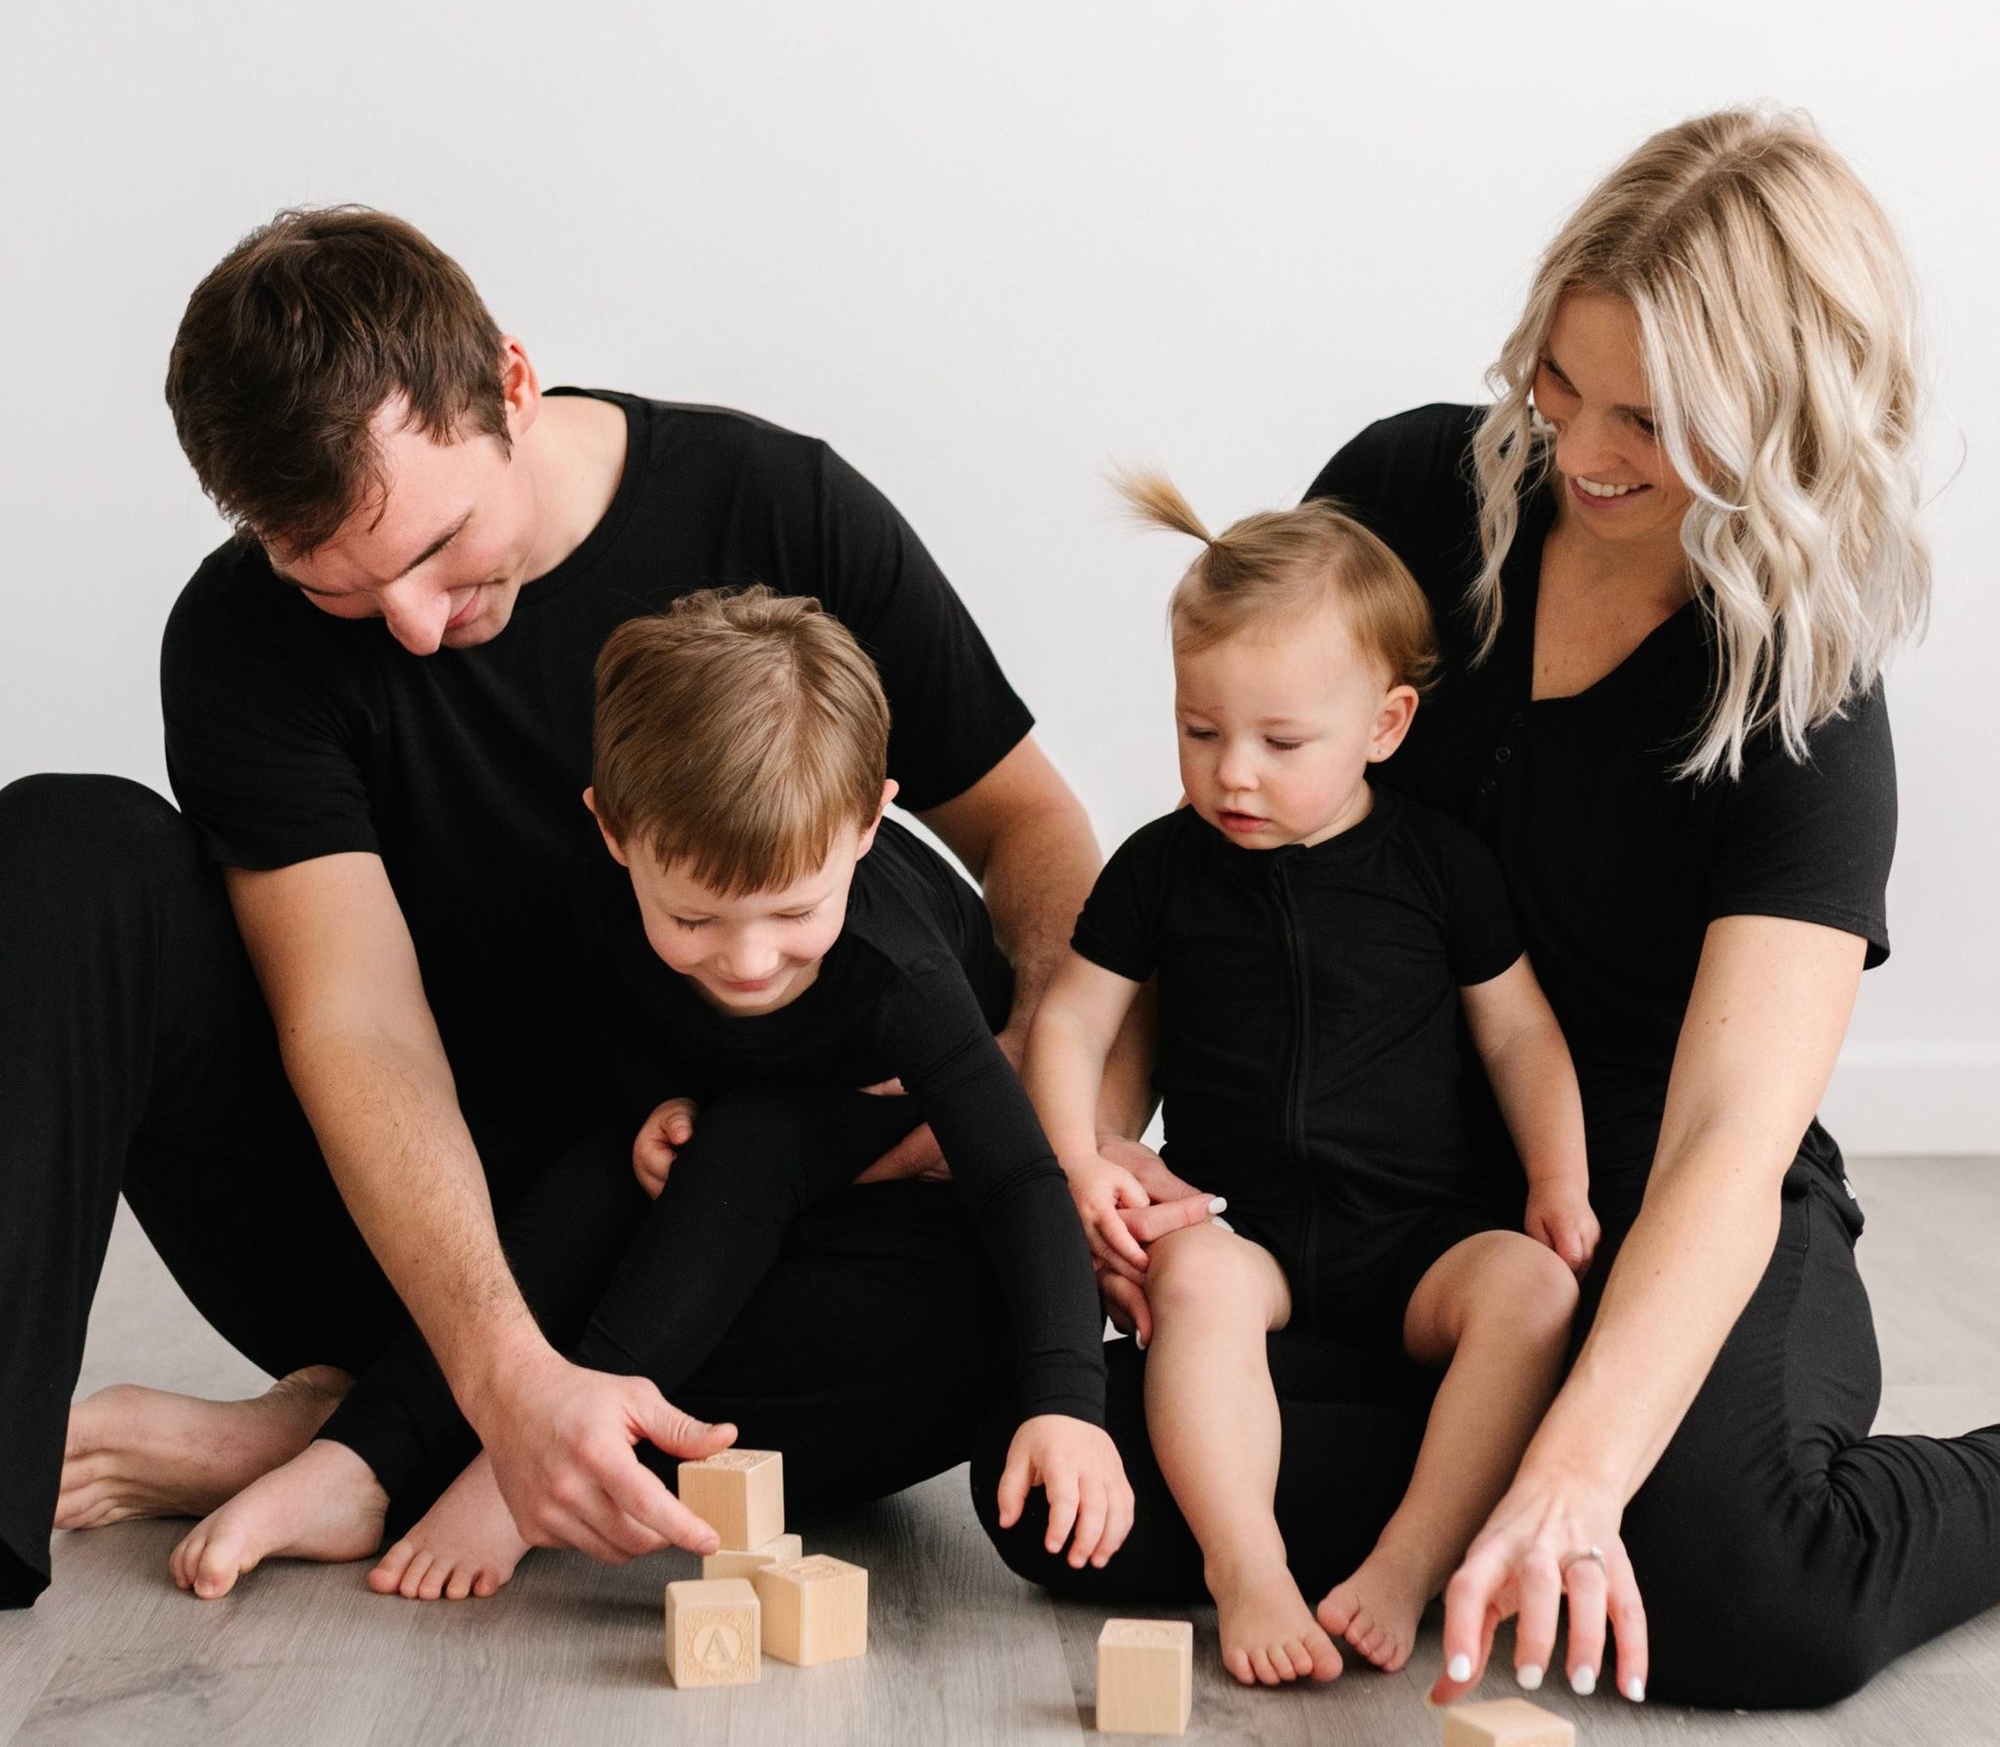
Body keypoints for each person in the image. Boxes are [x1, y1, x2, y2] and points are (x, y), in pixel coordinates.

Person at [3, 205, 1177, 1610]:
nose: (418, 630)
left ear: (510, 386)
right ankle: (375, 1424)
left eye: (439, 547)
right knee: (64, 847)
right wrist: (505, 1373)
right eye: (341, 590)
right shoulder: (240, 643)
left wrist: (1048, 1119)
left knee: (992, 1310)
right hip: (438, 1230)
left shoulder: (772, 505)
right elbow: (358, 1029)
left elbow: (1033, 833)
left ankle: (351, 1437)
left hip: (747, 1219)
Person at [979, 107, 1990, 1712]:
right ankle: (1502, 1471)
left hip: (1662, 1215)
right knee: (1067, 1485)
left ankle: (1611, 1469)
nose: (1582, 452)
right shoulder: (1404, 493)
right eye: (1561, 386)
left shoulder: (1806, 702)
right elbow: (1214, 865)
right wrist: (1105, 1156)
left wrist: (1583, 1476)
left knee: (1748, 1596)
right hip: (1389, 1214)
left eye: (1652, 424)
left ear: (1785, 421)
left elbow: (1732, 1140)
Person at [167, 587, 1133, 1600]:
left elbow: (1023, 1173)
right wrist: (656, 1097)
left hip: (883, 1097)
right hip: (735, 1090)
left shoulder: (904, 976)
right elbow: (623, 1004)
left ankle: (524, 1472)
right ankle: (356, 1457)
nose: (749, 959)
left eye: (793, 911)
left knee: (751, 1141)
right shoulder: (600, 883)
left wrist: (1065, 1396)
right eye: (697, 920)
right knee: (597, 1176)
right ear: (614, 832)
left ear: (866, 823)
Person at [1025, 475, 1595, 1687]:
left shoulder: (1439, 866)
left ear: (1384, 724)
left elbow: (1518, 1037)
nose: (1232, 773)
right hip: (1250, 1226)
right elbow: (1071, 1019)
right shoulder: (1159, 868)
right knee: (1190, 1279)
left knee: (1532, 1293)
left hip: (1417, 1233)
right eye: (1197, 730)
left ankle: (1409, 1557)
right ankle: (1249, 1565)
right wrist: (1076, 1156)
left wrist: (1558, 1180)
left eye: (1281, 743)